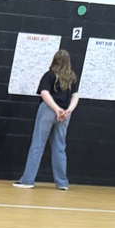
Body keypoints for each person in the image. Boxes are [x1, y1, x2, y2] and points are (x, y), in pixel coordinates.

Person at [14, 49, 80, 191]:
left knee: (38, 144)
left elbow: (44, 93)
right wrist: (68, 110)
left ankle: (27, 180)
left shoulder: (49, 75)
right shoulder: (71, 78)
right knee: (60, 147)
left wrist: (56, 109)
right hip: (65, 113)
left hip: (49, 110)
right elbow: (75, 96)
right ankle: (62, 183)